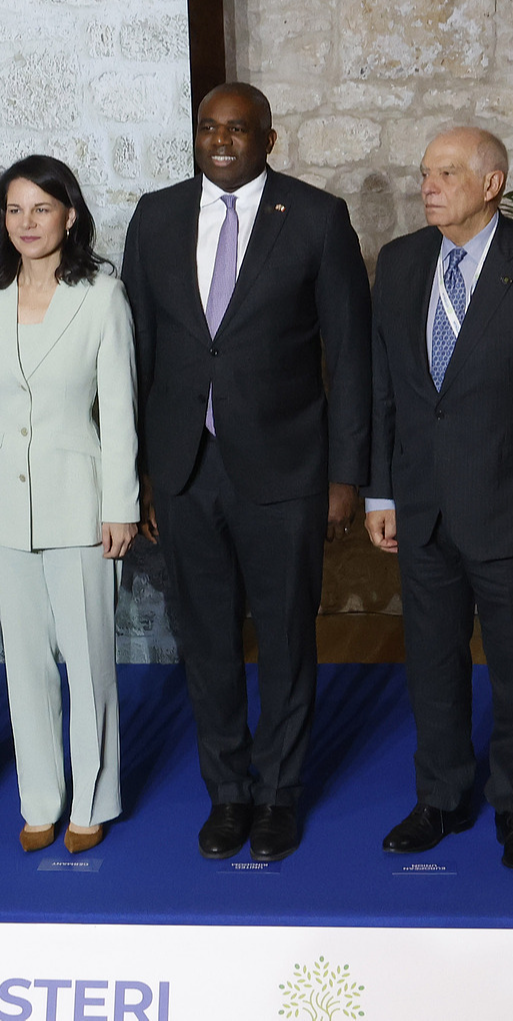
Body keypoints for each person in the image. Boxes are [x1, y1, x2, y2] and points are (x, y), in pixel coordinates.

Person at [121, 83, 372, 862]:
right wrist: (141, 473)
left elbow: (351, 356)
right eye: (208, 127)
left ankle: (280, 795)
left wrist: (345, 474)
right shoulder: (156, 215)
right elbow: (139, 353)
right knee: (206, 641)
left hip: (287, 471)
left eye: (237, 129)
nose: (221, 140)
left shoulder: (318, 217)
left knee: (289, 638)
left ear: (270, 137)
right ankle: (227, 793)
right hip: (186, 470)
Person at [363, 127, 513, 874]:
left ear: (493, 183)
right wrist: (381, 490)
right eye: (425, 173)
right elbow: (385, 391)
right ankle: (440, 798)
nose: (428, 186)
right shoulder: (401, 264)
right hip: (422, 512)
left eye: (446, 173)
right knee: (431, 666)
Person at [0, 155, 138, 855]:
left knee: (88, 660)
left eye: (41, 208)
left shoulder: (101, 296)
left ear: (70, 215)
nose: (27, 222)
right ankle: (40, 799)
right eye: (14, 210)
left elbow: (119, 412)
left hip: (81, 502)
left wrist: (120, 506)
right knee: (23, 659)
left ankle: (92, 799)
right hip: (4, 505)